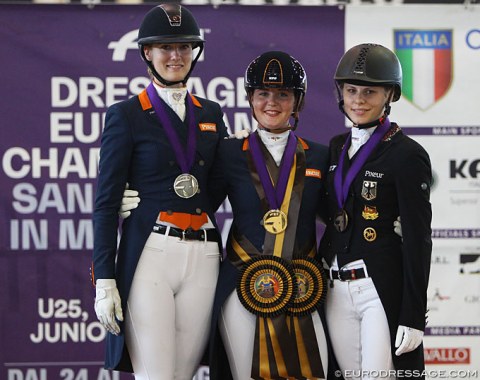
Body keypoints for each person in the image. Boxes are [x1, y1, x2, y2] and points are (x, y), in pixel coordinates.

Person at [91, 4, 228, 379]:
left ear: (195, 53)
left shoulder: (212, 114)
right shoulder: (126, 115)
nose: (175, 55)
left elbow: (215, 187)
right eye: (165, 47)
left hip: (203, 254)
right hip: (152, 250)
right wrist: (104, 279)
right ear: (147, 53)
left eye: (184, 47)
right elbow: (104, 205)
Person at [206, 51, 334, 380]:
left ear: (298, 101)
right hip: (241, 284)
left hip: (304, 285)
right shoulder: (228, 152)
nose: (271, 103)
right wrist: (148, 201)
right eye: (262, 93)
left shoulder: (320, 155)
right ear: (250, 98)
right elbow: (199, 203)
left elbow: (336, 217)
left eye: (283, 94)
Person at [318, 43, 432, 379]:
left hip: (376, 287)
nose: (358, 99)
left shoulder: (407, 154)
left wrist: (413, 314)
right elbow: (334, 209)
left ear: (389, 96)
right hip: (335, 286)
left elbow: (418, 240)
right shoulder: (338, 147)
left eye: (370, 91)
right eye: (351, 90)